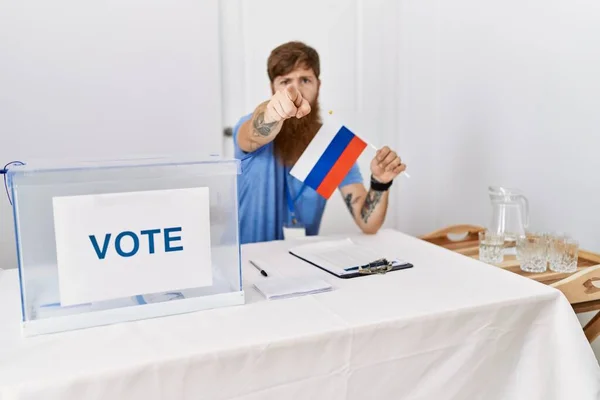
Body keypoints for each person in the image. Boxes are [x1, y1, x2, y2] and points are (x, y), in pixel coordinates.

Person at [233, 41, 407, 244]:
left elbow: (368, 223)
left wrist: (380, 183)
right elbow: (255, 133)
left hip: (301, 262)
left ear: (318, 85)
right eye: (285, 82)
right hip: (247, 260)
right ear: (272, 88)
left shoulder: (332, 146)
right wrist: (271, 114)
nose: (295, 91)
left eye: (305, 80)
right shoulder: (247, 126)